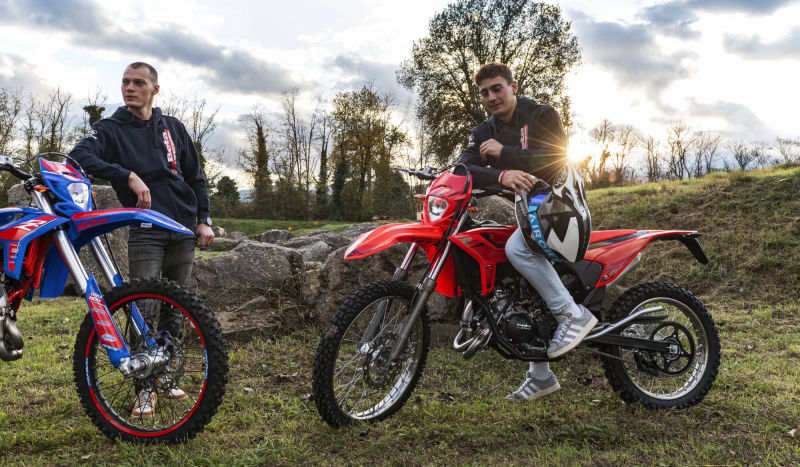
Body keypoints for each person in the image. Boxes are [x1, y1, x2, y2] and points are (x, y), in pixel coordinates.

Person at [70, 61, 214, 418]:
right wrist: (128, 176)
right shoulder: (110, 128)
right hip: (145, 230)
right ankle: (144, 388)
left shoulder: (173, 127)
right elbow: (78, 156)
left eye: (138, 82)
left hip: (182, 229)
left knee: (176, 308)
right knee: (143, 308)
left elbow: (196, 176)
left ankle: (164, 375)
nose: (129, 88)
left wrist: (204, 220)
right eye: (125, 82)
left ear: (155, 89)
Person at [458, 62, 596, 401]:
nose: (491, 97)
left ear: (514, 86)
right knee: (518, 282)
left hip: (558, 207)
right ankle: (541, 375)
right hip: (522, 214)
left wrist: (505, 154)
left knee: (517, 250)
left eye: (497, 88)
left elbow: (554, 159)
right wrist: (500, 175)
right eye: (484, 93)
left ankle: (572, 315)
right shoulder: (483, 131)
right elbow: (463, 168)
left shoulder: (542, 115)